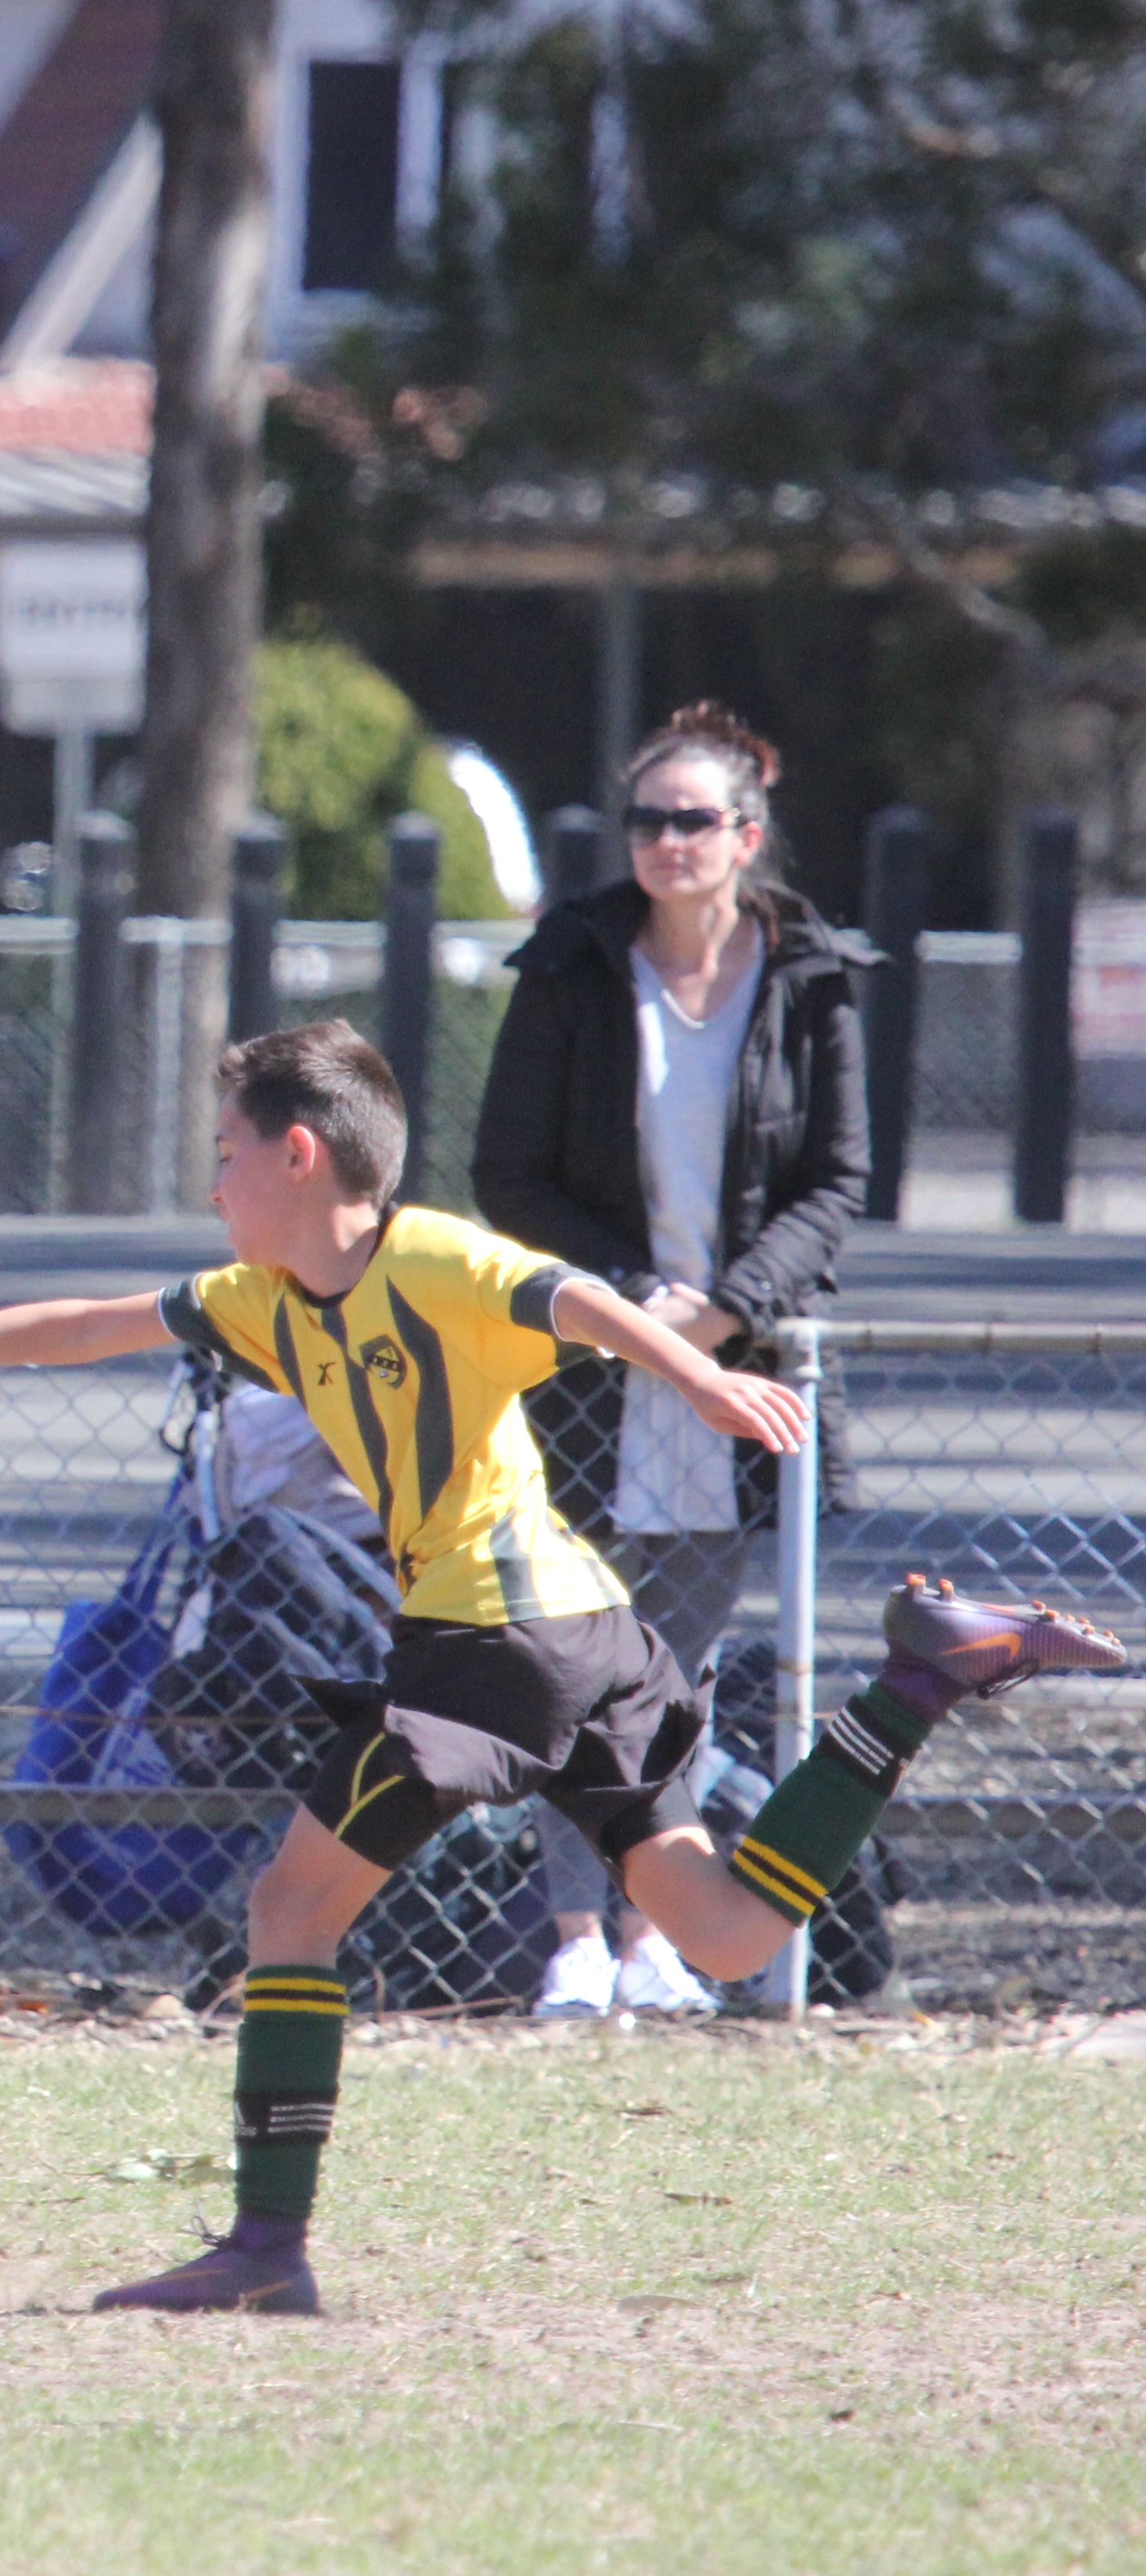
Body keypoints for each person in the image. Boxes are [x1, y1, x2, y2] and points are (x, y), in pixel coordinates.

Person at [0, 1022, 1120, 2315]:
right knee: (725, 1931)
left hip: (492, 1643)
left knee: (285, 1914)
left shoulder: (422, 1256)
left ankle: (264, 2242)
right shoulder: (260, 1306)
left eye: (222, 1153)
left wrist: (698, 1378)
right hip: (581, 1631)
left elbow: (570, 1298)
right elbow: (82, 1325)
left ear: (299, 1155)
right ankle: (917, 1683)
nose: (208, 1183)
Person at [473, 702, 871, 2020]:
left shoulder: (807, 975)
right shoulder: (571, 965)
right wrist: (638, 1301)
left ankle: (657, 1939)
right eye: (643, 820)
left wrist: (730, 1305)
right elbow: (504, 1173)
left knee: (679, 1674)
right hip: (591, 1360)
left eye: (688, 821)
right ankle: (575, 1940)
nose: (662, 842)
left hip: (734, 1368)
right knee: (567, 1662)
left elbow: (834, 1180)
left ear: (742, 836)